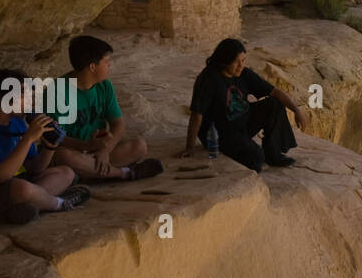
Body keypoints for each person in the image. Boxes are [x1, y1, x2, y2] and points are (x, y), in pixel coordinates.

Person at [0, 69, 92, 223]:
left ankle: (27, 206)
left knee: (65, 173)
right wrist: (28, 138)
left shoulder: (17, 122)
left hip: (9, 187)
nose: (31, 103)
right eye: (25, 97)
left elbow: (34, 169)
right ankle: (59, 203)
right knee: (23, 189)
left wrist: (50, 146)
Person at [177, 38, 309, 171]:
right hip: (221, 132)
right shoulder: (209, 79)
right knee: (256, 158)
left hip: (242, 122)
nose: (241, 65)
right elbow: (197, 114)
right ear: (224, 61)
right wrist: (190, 147)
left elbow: (275, 92)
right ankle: (253, 152)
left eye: (243, 60)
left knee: (274, 104)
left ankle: (273, 154)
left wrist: (296, 111)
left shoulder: (243, 73)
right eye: (236, 61)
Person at [48, 35, 163, 181]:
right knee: (63, 156)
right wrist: (86, 146)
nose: (109, 66)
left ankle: (88, 173)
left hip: (98, 151)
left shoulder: (104, 86)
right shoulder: (57, 91)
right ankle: (124, 173)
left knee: (139, 146)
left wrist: (105, 151)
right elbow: (56, 136)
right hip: (76, 151)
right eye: (106, 62)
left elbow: (118, 124)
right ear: (92, 67)